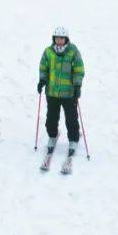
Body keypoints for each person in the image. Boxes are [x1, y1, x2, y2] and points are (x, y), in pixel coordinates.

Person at [37, 26, 85, 162]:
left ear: (66, 39)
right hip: (52, 93)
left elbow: (79, 69)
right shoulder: (48, 52)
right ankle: (52, 135)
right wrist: (42, 80)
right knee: (51, 119)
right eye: (57, 38)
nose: (59, 40)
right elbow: (43, 67)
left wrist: (77, 85)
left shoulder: (73, 52)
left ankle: (74, 139)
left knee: (71, 118)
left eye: (62, 38)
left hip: (69, 93)